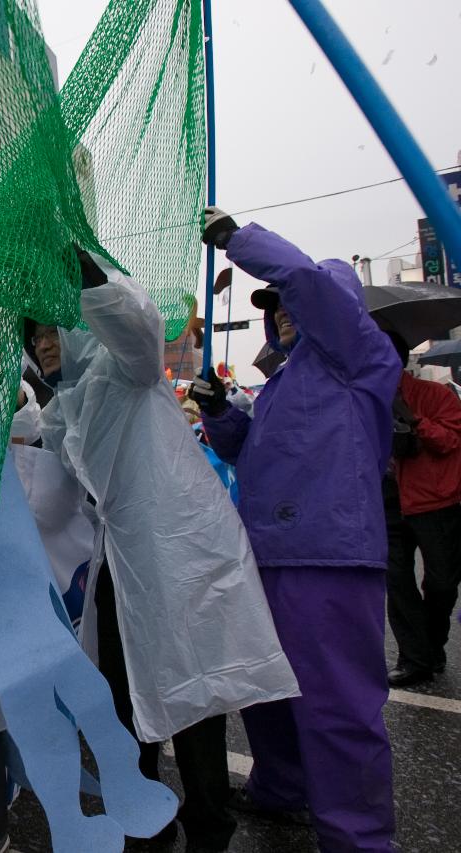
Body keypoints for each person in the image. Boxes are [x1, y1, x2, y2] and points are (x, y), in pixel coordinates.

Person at [35, 246, 297, 853]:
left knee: (194, 699)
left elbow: (134, 326)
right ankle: (144, 819)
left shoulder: (125, 370)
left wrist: (78, 261)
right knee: (125, 700)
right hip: (122, 573)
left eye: (53, 331)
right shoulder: (62, 409)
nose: (45, 345)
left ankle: (209, 828)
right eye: (35, 337)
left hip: (177, 564)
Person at [192, 207, 400, 853]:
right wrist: (222, 413)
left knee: (336, 706)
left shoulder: (358, 354)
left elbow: (308, 282)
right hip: (269, 552)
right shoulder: (283, 380)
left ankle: (359, 837)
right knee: (266, 687)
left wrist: (239, 239)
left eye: (289, 302)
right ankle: (281, 787)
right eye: (272, 306)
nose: (281, 310)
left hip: (328, 556)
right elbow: (249, 454)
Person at [380, 331, 461, 687]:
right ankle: (414, 660)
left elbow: (450, 440)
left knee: (442, 583)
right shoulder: (365, 399)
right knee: (397, 584)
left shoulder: (434, 394)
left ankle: (432, 646)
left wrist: (413, 420)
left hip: (435, 500)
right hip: (386, 500)